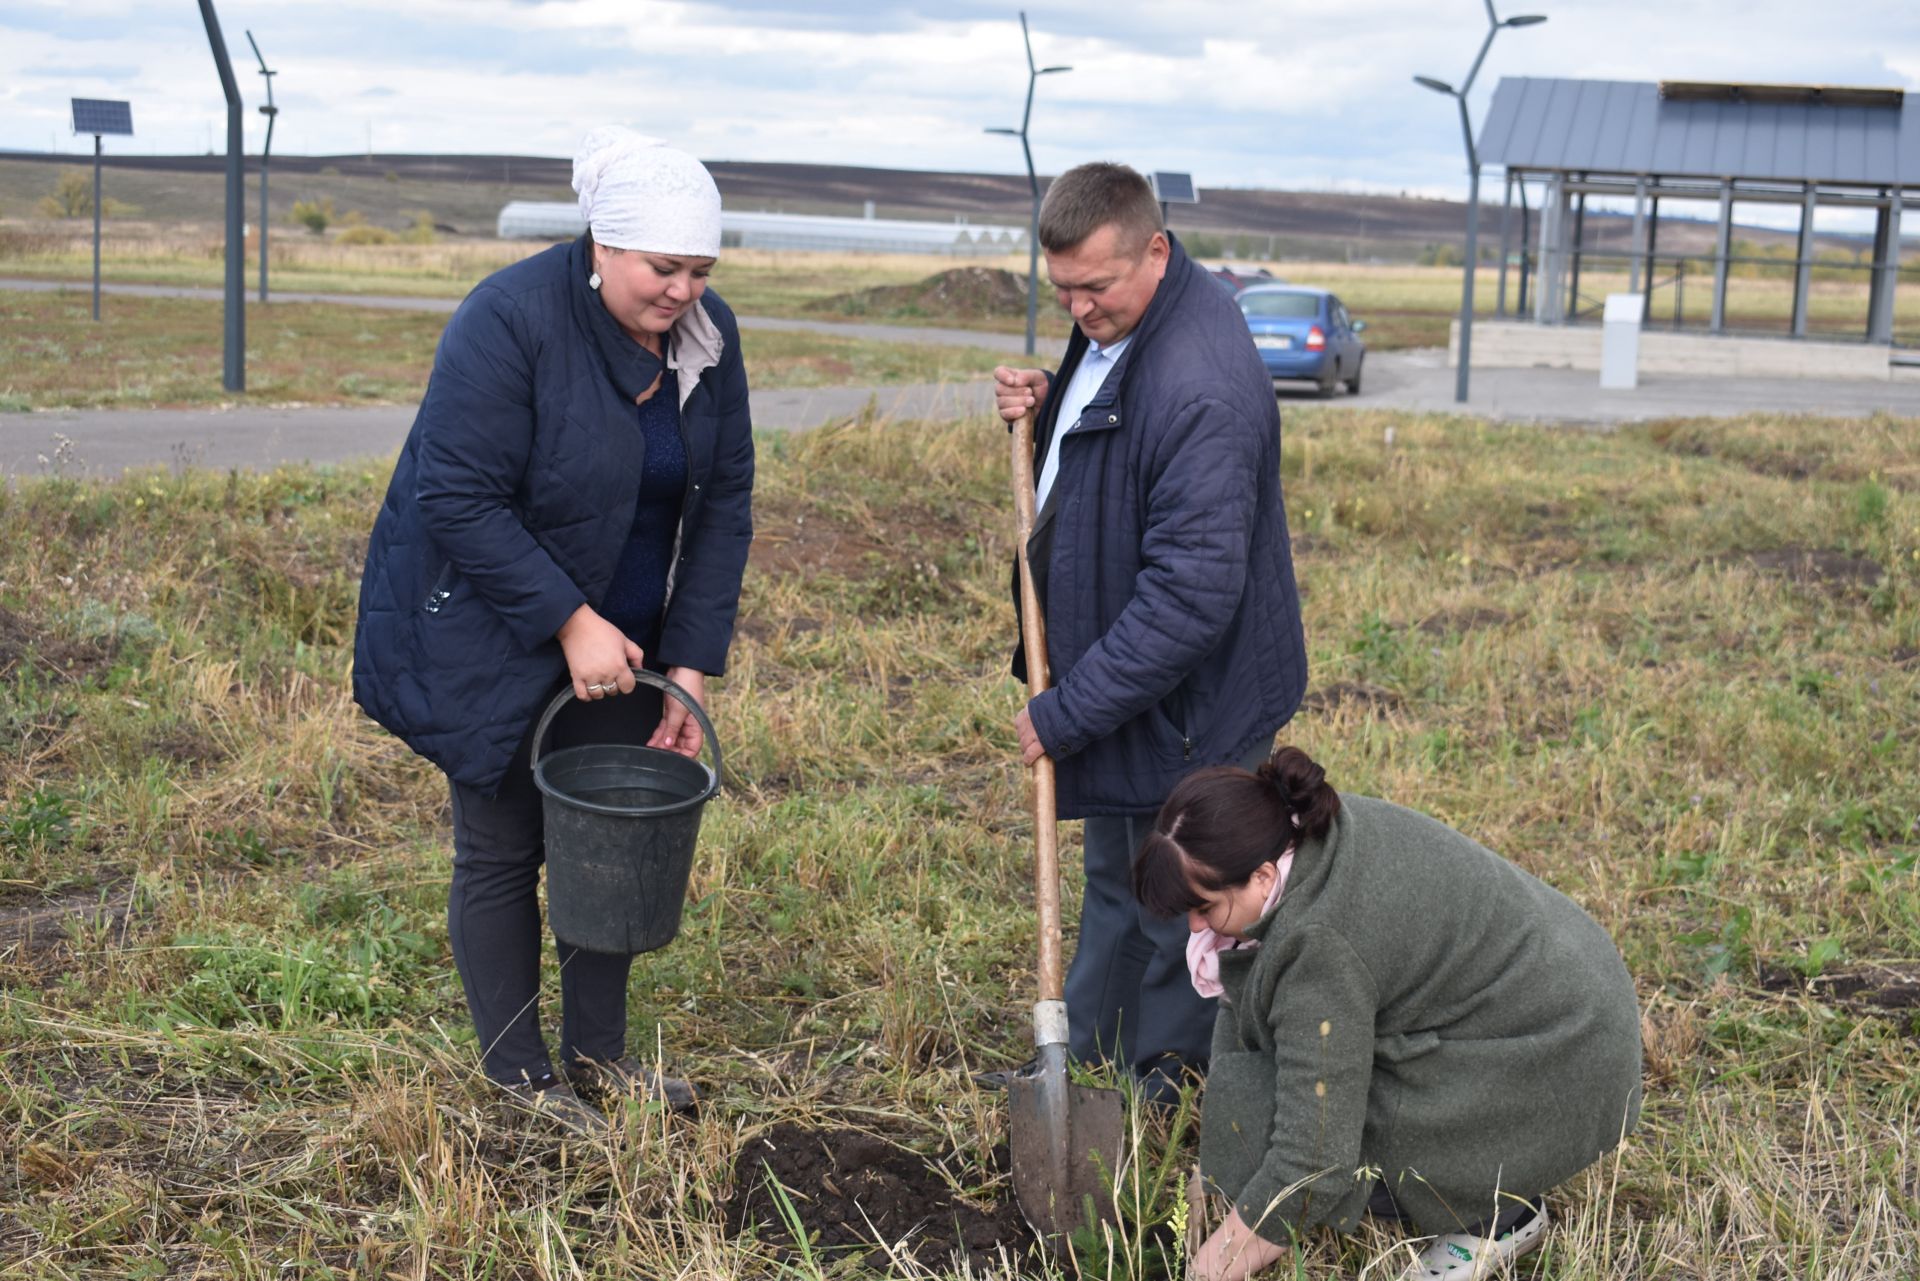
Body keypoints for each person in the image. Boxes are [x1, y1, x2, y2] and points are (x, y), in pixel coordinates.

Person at [352, 127, 754, 1133]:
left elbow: (723, 504)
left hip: (624, 647)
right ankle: (520, 1081)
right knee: (499, 849)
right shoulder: (509, 320)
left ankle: (599, 1058)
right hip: (488, 629)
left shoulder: (710, 338)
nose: (683, 292)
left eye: (701, 270)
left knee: (605, 843)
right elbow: (456, 494)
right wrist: (570, 622)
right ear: (602, 247)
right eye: (663, 268)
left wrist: (690, 666)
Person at [988, 162, 1307, 1099]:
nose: (1080, 309)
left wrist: (1067, 713)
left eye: (1096, 287)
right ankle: (1081, 1064)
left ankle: (1170, 1083)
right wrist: (1054, 411)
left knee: (1185, 903)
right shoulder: (1122, 321)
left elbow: (1190, 598)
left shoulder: (1199, 386)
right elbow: (1120, 450)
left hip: (1188, 708)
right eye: (1063, 292)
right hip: (1133, 687)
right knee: (1119, 881)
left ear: (1156, 251)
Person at [1132, 747, 1644, 1281]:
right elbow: (1246, 1017)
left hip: (1563, 1057)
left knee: (1314, 1127)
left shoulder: (1320, 949)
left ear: (1261, 877)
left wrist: (1212, 1267)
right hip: (1547, 998)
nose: (1194, 928)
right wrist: (1221, 1164)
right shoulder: (1298, 830)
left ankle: (1499, 1215)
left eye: (1204, 907)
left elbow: (1313, 1166)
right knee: (1268, 1102)